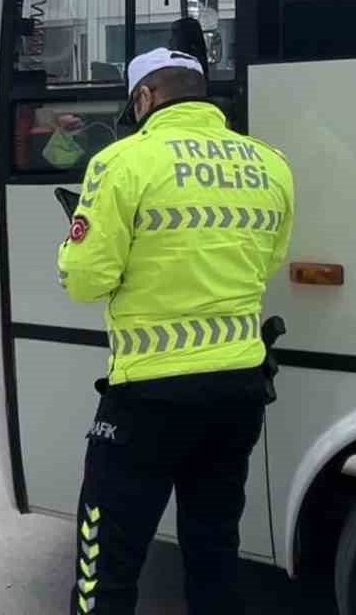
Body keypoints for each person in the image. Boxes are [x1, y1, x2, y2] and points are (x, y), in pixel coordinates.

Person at [56, 47, 294, 615]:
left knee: (106, 559)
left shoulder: (123, 162)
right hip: (239, 390)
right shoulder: (271, 163)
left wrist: (72, 248)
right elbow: (268, 263)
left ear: (144, 97)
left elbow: (86, 281)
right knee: (214, 549)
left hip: (148, 397)